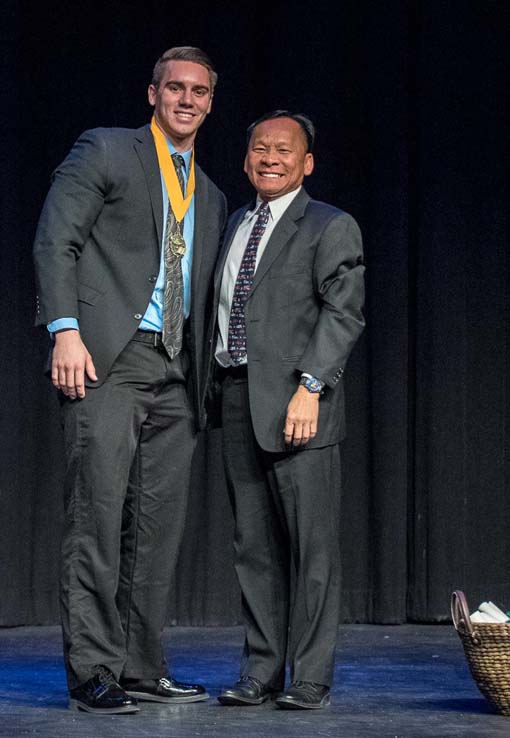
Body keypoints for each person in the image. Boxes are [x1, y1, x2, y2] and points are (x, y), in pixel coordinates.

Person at [32, 46, 226, 715]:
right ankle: (93, 669)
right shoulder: (108, 151)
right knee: (96, 518)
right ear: (152, 94)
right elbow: (56, 239)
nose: (186, 99)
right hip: (109, 358)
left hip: (178, 371)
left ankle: (141, 665)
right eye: (174, 88)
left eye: (198, 91)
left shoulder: (216, 193)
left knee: (157, 529)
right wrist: (64, 328)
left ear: (210, 101)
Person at [213, 111, 365, 710]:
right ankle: (261, 670)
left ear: (307, 163)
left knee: (312, 549)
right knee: (254, 548)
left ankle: (310, 677)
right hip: (235, 399)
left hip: (300, 404)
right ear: (247, 158)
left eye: (283, 149)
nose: (269, 157)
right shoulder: (233, 223)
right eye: (259, 148)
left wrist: (311, 387)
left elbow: (343, 313)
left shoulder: (330, 225)